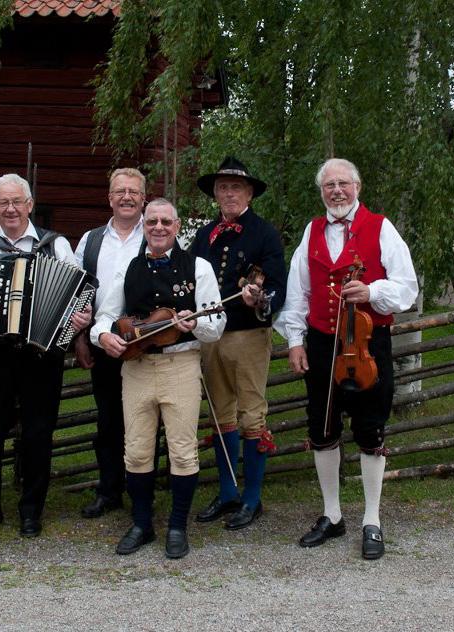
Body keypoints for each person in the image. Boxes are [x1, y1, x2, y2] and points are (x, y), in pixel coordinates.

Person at [274, 158, 418, 560]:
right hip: (322, 343)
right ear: (322, 192)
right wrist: (296, 341)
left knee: (370, 429)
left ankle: (372, 519)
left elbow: (407, 287)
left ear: (357, 187)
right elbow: (298, 290)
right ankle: (332, 516)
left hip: (369, 344)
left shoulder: (381, 227)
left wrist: (371, 292)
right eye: (328, 185)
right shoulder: (312, 231)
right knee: (322, 425)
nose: (336, 191)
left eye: (343, 184)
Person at [0, 173, 91, 539]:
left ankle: (31, 511)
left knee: (38, 432)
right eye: (3, 203)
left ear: (30, 204)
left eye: (17, 202)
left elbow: (78, 292)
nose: (10, 209)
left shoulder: (55, 244)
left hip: (40, 355)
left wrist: (80, 317)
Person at [91, 198, 225, 559]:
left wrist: (195, 323)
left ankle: (178, 527)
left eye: (166, 221)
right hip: (136, 368)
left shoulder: (198, 267)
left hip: (181, 364)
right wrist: (103, 336)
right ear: (145, 226)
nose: (159, 228)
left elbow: (216, 324)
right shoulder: (129, 269)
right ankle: (142, 524)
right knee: (135, 450)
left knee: (183, 450)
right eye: (152, 222)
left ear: (177, 226)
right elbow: (104, 317)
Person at [189, 157, 287, 530]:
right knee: (220, 414)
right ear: (215, 193)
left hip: (248, 336)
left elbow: (276, 285)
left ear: (248, 193)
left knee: (251, 415)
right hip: (210, 336)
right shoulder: (204, 235)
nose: (229, 193)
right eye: (223, 187)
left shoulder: (264, 234)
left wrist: (259, 298)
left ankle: (252, 498)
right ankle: (229, 491)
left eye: (236, 187)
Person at [73, 168, 146, 518]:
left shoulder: (158, 231)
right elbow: (77, 293)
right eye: (120, 191)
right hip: (102, 343)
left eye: (133, 191)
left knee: (147, 419)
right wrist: (81, 338)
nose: (127, 197)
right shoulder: (91, 240)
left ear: (143, 198)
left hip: (147, 344)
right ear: (110, 197)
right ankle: (109, 490)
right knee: (108, 421)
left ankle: (141, 491)